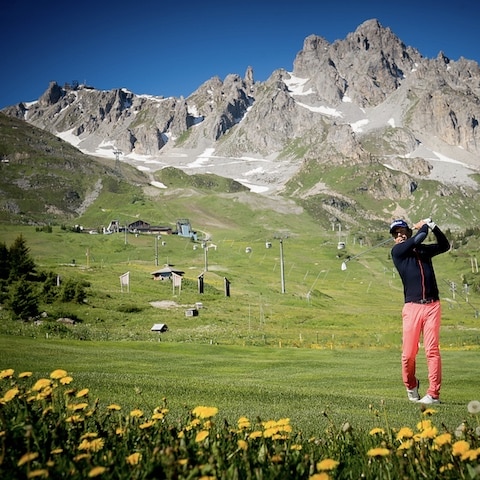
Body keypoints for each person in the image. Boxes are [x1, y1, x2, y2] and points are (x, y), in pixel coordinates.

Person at [389, 218, 450, 404]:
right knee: (408, 354)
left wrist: (433, 226)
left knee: (432, 351)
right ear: (393, 238)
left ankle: (433, 394)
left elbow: (445, 245)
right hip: (412, 307)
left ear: (407, 231)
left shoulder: (423, 251)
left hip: (432, 305)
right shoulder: (397, 251)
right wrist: (423, 225)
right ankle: (411, 385)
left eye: (402, 231)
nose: (399, 235)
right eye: (395, 233)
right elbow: (419, 237)